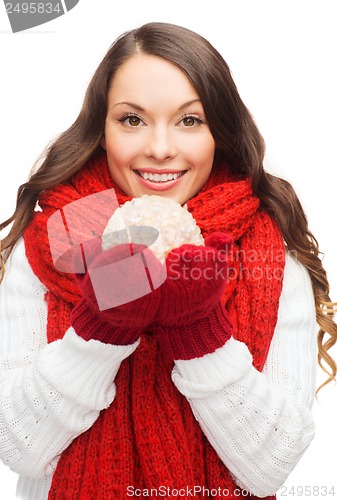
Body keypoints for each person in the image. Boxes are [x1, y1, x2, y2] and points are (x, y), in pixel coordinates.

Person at [0, 21, 336, 500]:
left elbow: (272, 465)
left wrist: (198, 330)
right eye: (132, 120)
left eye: (189, 120)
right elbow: (18, 446)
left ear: (219, 131)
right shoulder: (53, 242)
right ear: (102, 130)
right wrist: (100, 328)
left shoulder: (269, 252)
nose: (159, 149)